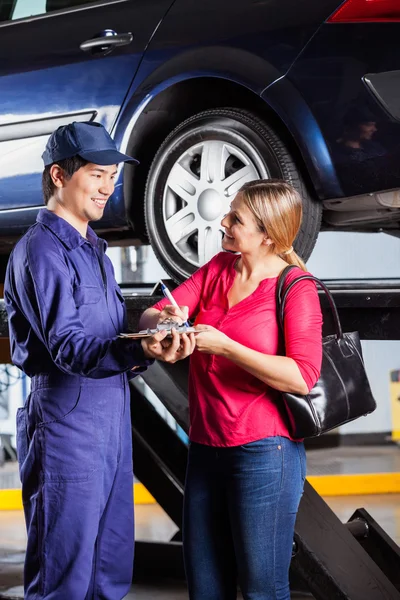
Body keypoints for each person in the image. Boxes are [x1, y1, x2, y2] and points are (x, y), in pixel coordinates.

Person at [4, 121, 195, 600]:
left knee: (109, 567)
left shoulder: (96, 251)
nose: (108, 187)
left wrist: (152, 325)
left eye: (112, 175)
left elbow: (106, 332)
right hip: (67, 423)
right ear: (58, 176)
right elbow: (68, 346)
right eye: (96, 174)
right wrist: (139, 347)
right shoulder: (41, 251)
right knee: (63, 575)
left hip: (111, 418)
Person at [139, 179, 323, 600]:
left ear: (269, 235)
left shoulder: (295, 288)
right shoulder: (219, 268)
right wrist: (162, 327)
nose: (222, 221)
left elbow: (302, 375)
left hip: (264, 455)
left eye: (235, 218)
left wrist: (227, 347)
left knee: (262, 591)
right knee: (205, 589)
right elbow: (156, 312)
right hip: (205, 450)